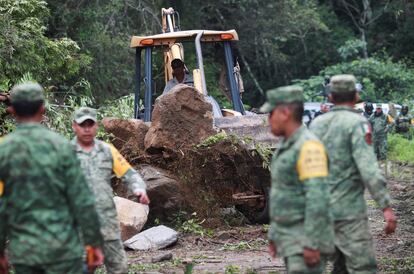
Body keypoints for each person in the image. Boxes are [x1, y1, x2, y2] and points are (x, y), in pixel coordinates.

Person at [0, 82, 104, 274]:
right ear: (42, 109)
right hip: (63, 250)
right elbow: (82, 199)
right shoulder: (62, 147)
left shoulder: (4, 150)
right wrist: (93, 244)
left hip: (25, 253)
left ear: (12, 110)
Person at [309, 75, 397, 274]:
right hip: (348, 214)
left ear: (330, 97)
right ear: (356, 95)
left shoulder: (316, 125)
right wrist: (386, 206)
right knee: (362, 268)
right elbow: (368, 168)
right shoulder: (357, 124)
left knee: (338, 268)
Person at [262, 85, 333, 274]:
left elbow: (318, 198)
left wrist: (311, 243)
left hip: (305, 242)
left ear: (285, 112)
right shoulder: (288, 146)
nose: (268, 120)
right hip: (291, 241)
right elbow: (283, 195)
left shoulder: (308, 147)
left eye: (271, 113)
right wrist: (275, 235)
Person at [71, 107, 150, 274]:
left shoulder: (107, 150)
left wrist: (139, 189)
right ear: (74, 126)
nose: (86, 129)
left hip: (106, 220)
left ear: (96, 126)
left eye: (90, 124)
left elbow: (129, 173)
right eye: (82, 124)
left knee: (119, 267)